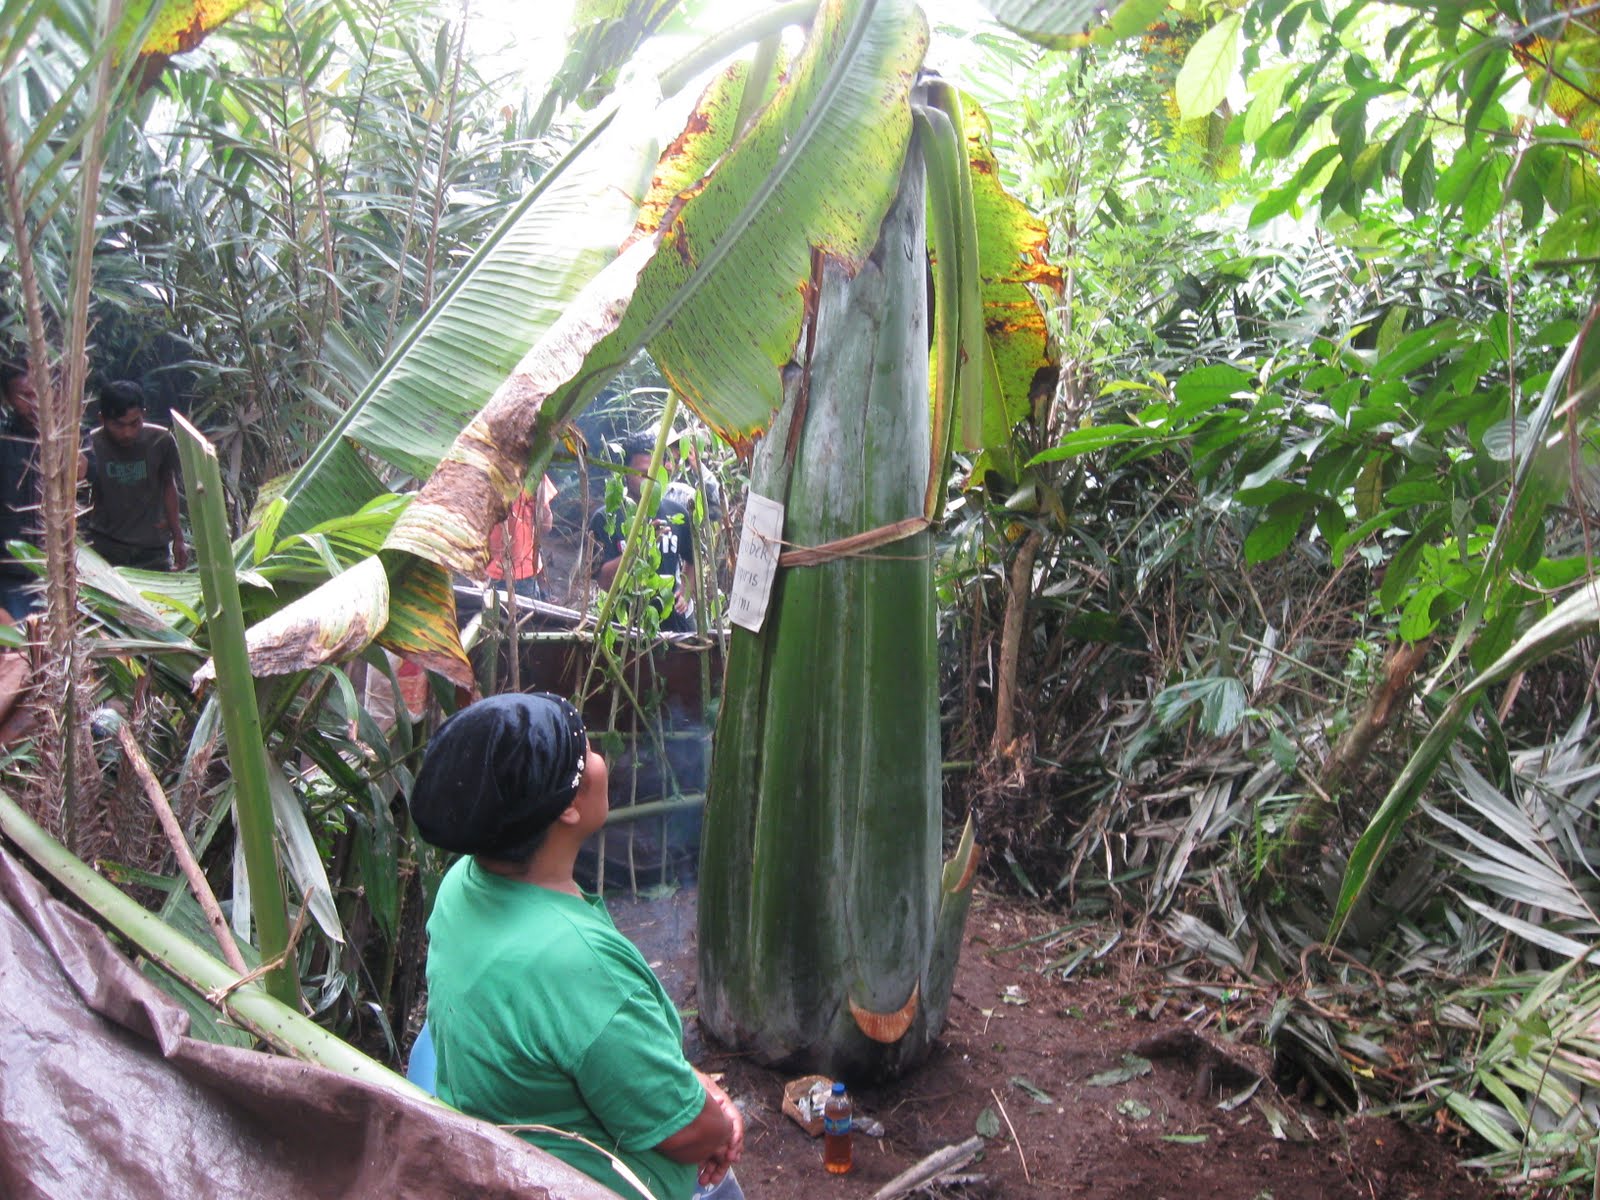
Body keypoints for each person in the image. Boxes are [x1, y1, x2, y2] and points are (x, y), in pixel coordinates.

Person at [409, 693, 743, 1200]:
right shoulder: (579, 964)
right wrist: (717, 1127)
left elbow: (591, 1040)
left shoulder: (462, 882)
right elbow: (687, 1134)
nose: (598, 755)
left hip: (492, 1133)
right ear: (568, 807)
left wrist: (694, 1083)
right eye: (586, 748)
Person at [590, 436, 696, 633]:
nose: (648, 480)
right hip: (624, 622)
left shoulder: (677, 514)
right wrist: (640, 546)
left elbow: (693, 559)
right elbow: (603, 581)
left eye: (654, 474)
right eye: (641, 474)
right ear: (625, 473)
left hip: (671, 621)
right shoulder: (607, 518)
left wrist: (685, 593)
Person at [84, 380, 187, 570]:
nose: (127, 433)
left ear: (143, 415)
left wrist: (178, 537)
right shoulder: (91, 445)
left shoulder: (161, 440)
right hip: (106, 547)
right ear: (102, 419)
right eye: (118, 425)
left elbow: (168, 485)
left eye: (134, 423)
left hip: (152, 547)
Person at [0, 362, 40, 620]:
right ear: (7, 399)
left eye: (38, 393)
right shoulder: (3, 441)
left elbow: (89, 472)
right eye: (24, 396)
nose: (34, 403)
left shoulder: (71, 437)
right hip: (11, 573)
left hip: (57, 574)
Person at [486, 472, 558, 600]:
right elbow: (546, 525)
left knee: (483, 612)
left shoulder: (479, 467)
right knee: (524, 615)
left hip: (482, 567)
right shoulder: (533, 471)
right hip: (522, 571)